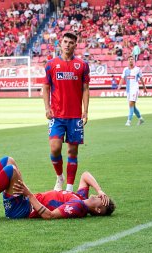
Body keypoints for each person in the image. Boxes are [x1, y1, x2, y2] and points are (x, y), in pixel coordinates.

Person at [0, 156, 115, 219]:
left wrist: (29, 195)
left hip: (22, 209)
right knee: (8, 160)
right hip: (26, 201)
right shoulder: (81, 198)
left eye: (102, 200)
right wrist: (100, 190)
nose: (99, 196)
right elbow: (85, 175)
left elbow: (50, 215)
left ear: (99, 210)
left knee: (11, 170)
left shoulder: (78, 207)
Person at [42, 32, 90, 192]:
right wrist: (47, 108)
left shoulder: (82, 65)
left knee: (72, 151)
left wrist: (85, 111)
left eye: (71, 42)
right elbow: (46, 87)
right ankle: (59, 177)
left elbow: (85, 89)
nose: (67, 44)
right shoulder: (51, 64)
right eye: (65, 41)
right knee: (55, 148)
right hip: (57, 115)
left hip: (75, 116)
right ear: (60, 43)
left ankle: (69, 187)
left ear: (75, 45)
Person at [117, 56, 147, 126]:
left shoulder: (137, 69)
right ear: (128, 61)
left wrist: (144, 88)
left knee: (131, 104)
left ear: (134, 61)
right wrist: (119, 87)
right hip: (128, 90)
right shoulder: (125, 70)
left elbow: (141, 79)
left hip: (135, 89)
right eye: (129, 59)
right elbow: (122, 78)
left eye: (132, 59)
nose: (131, 60)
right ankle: (141, 118)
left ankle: (128, 121)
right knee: (133, 106)